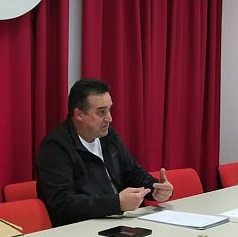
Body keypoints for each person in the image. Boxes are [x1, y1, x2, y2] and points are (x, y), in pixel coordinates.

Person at [35, 78, 173, 226]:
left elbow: (132, 172)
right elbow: (62, 203)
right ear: (79, 114)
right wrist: (117, 203)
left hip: (119, 221)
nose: (109, 118)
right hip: (82, 227)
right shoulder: (55, 148)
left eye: (109, 109)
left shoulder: (108, 135)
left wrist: (154, 188)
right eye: (101, 112)